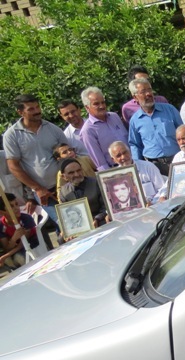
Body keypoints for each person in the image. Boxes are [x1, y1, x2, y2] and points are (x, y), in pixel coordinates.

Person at [3, 94, 66, 222]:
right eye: (31, 109)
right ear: (20, 112)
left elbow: (68, 154)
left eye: (37, 107)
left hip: (65, 186)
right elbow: (13, 166)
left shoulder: (53, 129)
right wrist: (38, 189)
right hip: (43, 192)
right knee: (63, 222)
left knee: (76, 220)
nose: (37, 111)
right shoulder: (12, 135)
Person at [128, 77, 183, 175]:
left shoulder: (169, 110)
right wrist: (137, 165)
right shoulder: (135, 120)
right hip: (154, 166)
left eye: (149, 90)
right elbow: (135, 144)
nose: (148, 94)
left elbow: (183, 131)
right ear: (135, 97)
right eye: (143, 92)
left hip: (177, 160)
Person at [79, 87, 128, 171]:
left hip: (133, 162)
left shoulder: (114, 116)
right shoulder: (87, 130)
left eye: (103, 102)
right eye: (96, 104)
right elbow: (100, 163)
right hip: (115, 169)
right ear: (87, 107)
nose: (101, 106)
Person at [58, 158, 108, 231]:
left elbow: (106, 206)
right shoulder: (64, 192)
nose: (77, 174)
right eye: (71, 173)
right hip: (78, 226)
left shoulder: (96, 183)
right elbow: (65, 215)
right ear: (64, 176)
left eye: (79, 170)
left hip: (101, 220)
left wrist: (97, 218)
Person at [108, 141, 165, 205]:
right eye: (118, 155)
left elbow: (163, 189)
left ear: (130, 151)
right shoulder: (113, 178)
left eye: (125, 152)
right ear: (113, 160)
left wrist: (153, 202)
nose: (123, 157)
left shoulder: (148, 167)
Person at [0, 192, 39, 269]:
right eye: (11, 206)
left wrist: (5, 256)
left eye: (16, 204)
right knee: (8, 260)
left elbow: (23, 244)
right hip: (15, 249)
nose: (16, 208)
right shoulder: (1, 225)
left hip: (31, 245)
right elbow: (6, 248)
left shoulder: (26, 219)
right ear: (1, 212)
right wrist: (13, 239)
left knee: (18, 257)